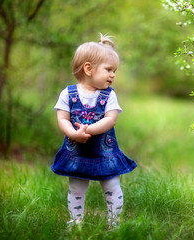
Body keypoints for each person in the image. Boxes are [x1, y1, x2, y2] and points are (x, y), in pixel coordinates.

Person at [51, 33, 137, 228]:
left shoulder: (109, 95)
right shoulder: (68, 93)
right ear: (88, 69)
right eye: (108, 69)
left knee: (112, 187)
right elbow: (62, 119)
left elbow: (110, 120)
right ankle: (76, 221)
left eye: (114, 70)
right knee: (76, 189)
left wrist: (88, 129)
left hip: (105, 153)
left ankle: (113, 222)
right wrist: (73, 134)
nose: (113, 75)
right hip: (77, 152)